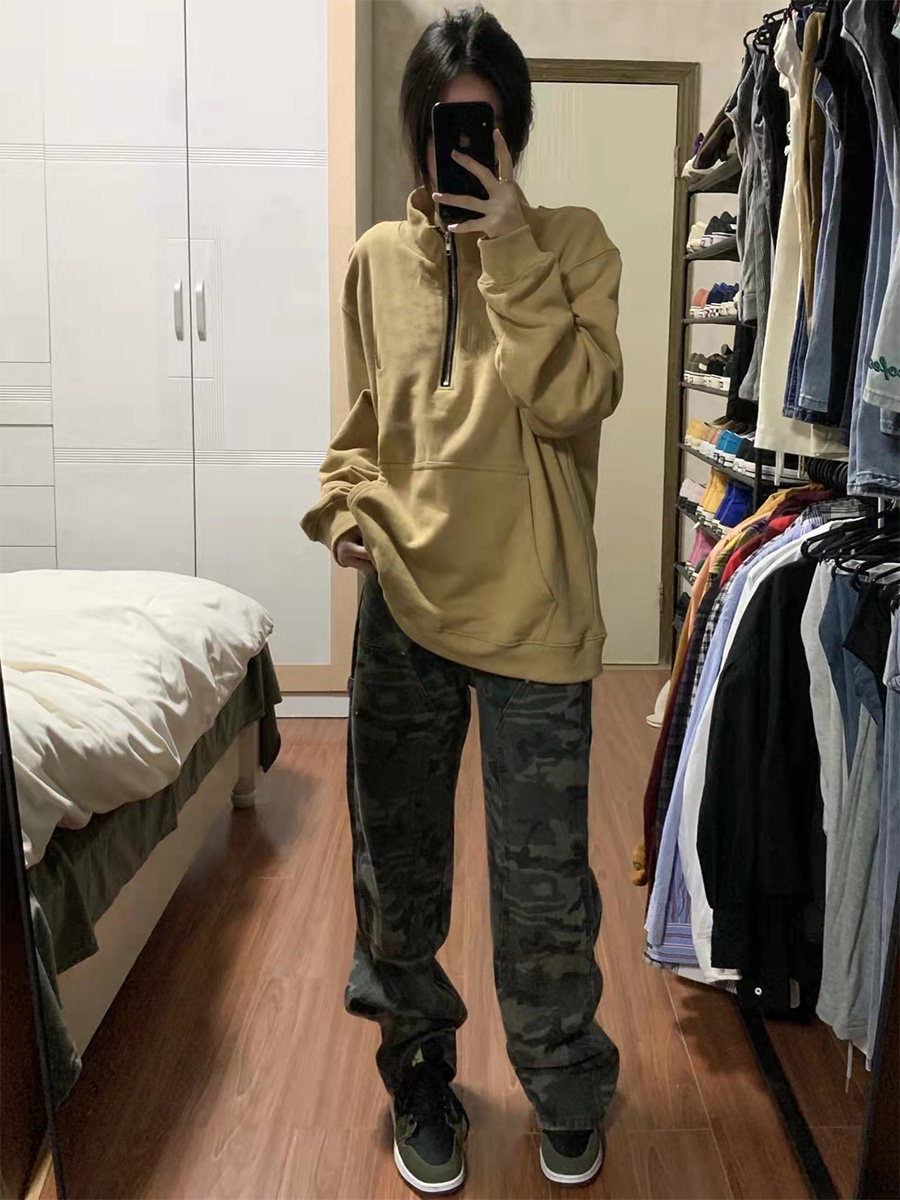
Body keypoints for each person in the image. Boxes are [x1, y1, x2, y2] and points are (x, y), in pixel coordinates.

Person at [301, 6, 623, 1192]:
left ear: (513, 132)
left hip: (538, 616)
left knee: (546, 892)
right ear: (416, 133)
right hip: (404, 610)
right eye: (445, 125)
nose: (463, 148)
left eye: (483, 126)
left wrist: (513, 250)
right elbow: (361, 432)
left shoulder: (573, 244)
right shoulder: (376, 263)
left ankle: (565, 1084)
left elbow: (577, 397)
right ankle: (420, 1076)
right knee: (398, 874)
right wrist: (347, 508)